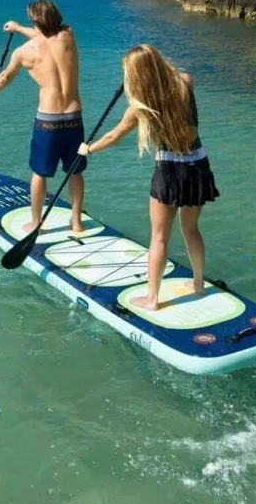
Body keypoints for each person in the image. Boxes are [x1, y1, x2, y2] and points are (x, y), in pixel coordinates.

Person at [77, 44, 219, 311]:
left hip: (169, 170)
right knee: (191, 229)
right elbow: (175, 92)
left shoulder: (140, 107)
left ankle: (152, 299)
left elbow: (113, 136)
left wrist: (89, 148)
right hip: (198, 164)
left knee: (159, 237)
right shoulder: (186, 82)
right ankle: (198, 283)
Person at [0, 0, 86, 234]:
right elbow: (45, 36)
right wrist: (20, 28)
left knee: (40, 173)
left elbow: (6, 78)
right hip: (74, 116)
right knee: (75, 171)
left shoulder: (24, 53)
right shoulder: (67, 35)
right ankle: (77, 222)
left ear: (33, 20)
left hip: (48, 120)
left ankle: (36, 223)